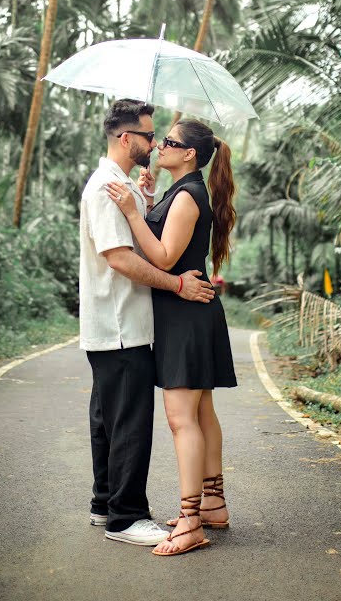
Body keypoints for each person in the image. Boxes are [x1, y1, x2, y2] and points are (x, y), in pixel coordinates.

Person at [79, 99, 216, 547]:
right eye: (150, 136)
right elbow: (121, 258)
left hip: (121, 322)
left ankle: (105, 505)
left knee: (108, 420)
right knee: (130, 423)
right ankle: (126, 517)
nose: (155, 143)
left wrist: (146, 197)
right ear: (126, 139)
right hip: (121, 323)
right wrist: (178, 286)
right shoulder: (106, 187)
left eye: (163, 138)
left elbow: (151, 237)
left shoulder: (125, 185)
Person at [104, 118, 237, 557]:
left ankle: (191, 520)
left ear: (189, 154)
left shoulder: (187, 196)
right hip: (189, 315)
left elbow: (161, 257)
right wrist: (145, 197)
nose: (160, 144)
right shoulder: (182, 191)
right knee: (201, 414)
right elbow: (164, 242)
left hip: (184, 317)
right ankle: (212, 503)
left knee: (182, 420)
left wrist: (129, 211)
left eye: (170, 142)